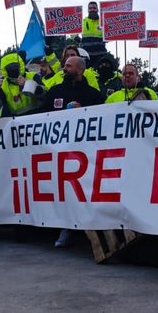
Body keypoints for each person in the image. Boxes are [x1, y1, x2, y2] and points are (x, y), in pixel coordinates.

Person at [40, 56, 104, 248]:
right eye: (64, 65)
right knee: (65, 192)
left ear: (80, 70)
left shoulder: (93, 94)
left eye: (68, 66)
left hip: (87, 155)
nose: (64, 69)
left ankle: (90, 231)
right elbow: (42, 115)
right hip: (59, 153)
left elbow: (103, 119)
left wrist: (84, 111)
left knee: (85, 193)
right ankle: (66, 228)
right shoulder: (55, 91)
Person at [0, 52, 45, 117]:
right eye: (9, 68)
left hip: (38, 117)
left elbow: (45, 94)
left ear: (20, 65)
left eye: (15, 66)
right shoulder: (3, 85)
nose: (13, 69)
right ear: (5, 70)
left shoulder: (32, 76)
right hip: (17, 122)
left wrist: (27, 85)